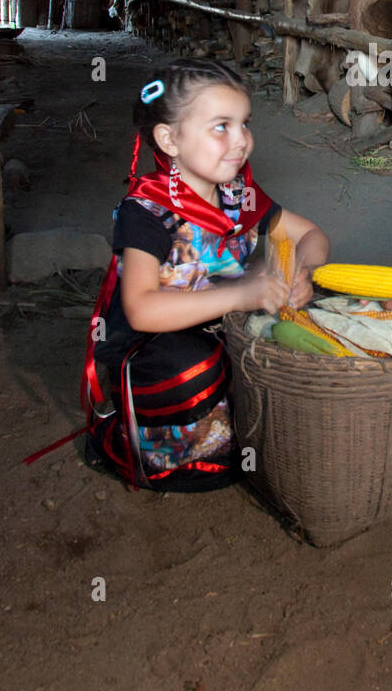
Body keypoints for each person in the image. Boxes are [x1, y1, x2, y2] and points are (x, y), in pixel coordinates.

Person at [83, 57, 328, 490]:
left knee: (306, 331)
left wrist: (301, 272)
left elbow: (310, 234)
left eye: (244, 124)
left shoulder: (239, 195)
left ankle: (241, 424)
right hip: (159, 350)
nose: (242, 141)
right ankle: (132, 441)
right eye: (221, 126)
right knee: (193, 364)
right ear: (169, 139)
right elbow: (141, 310)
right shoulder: (146, 213)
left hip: (222, 330)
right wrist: (242, 296)